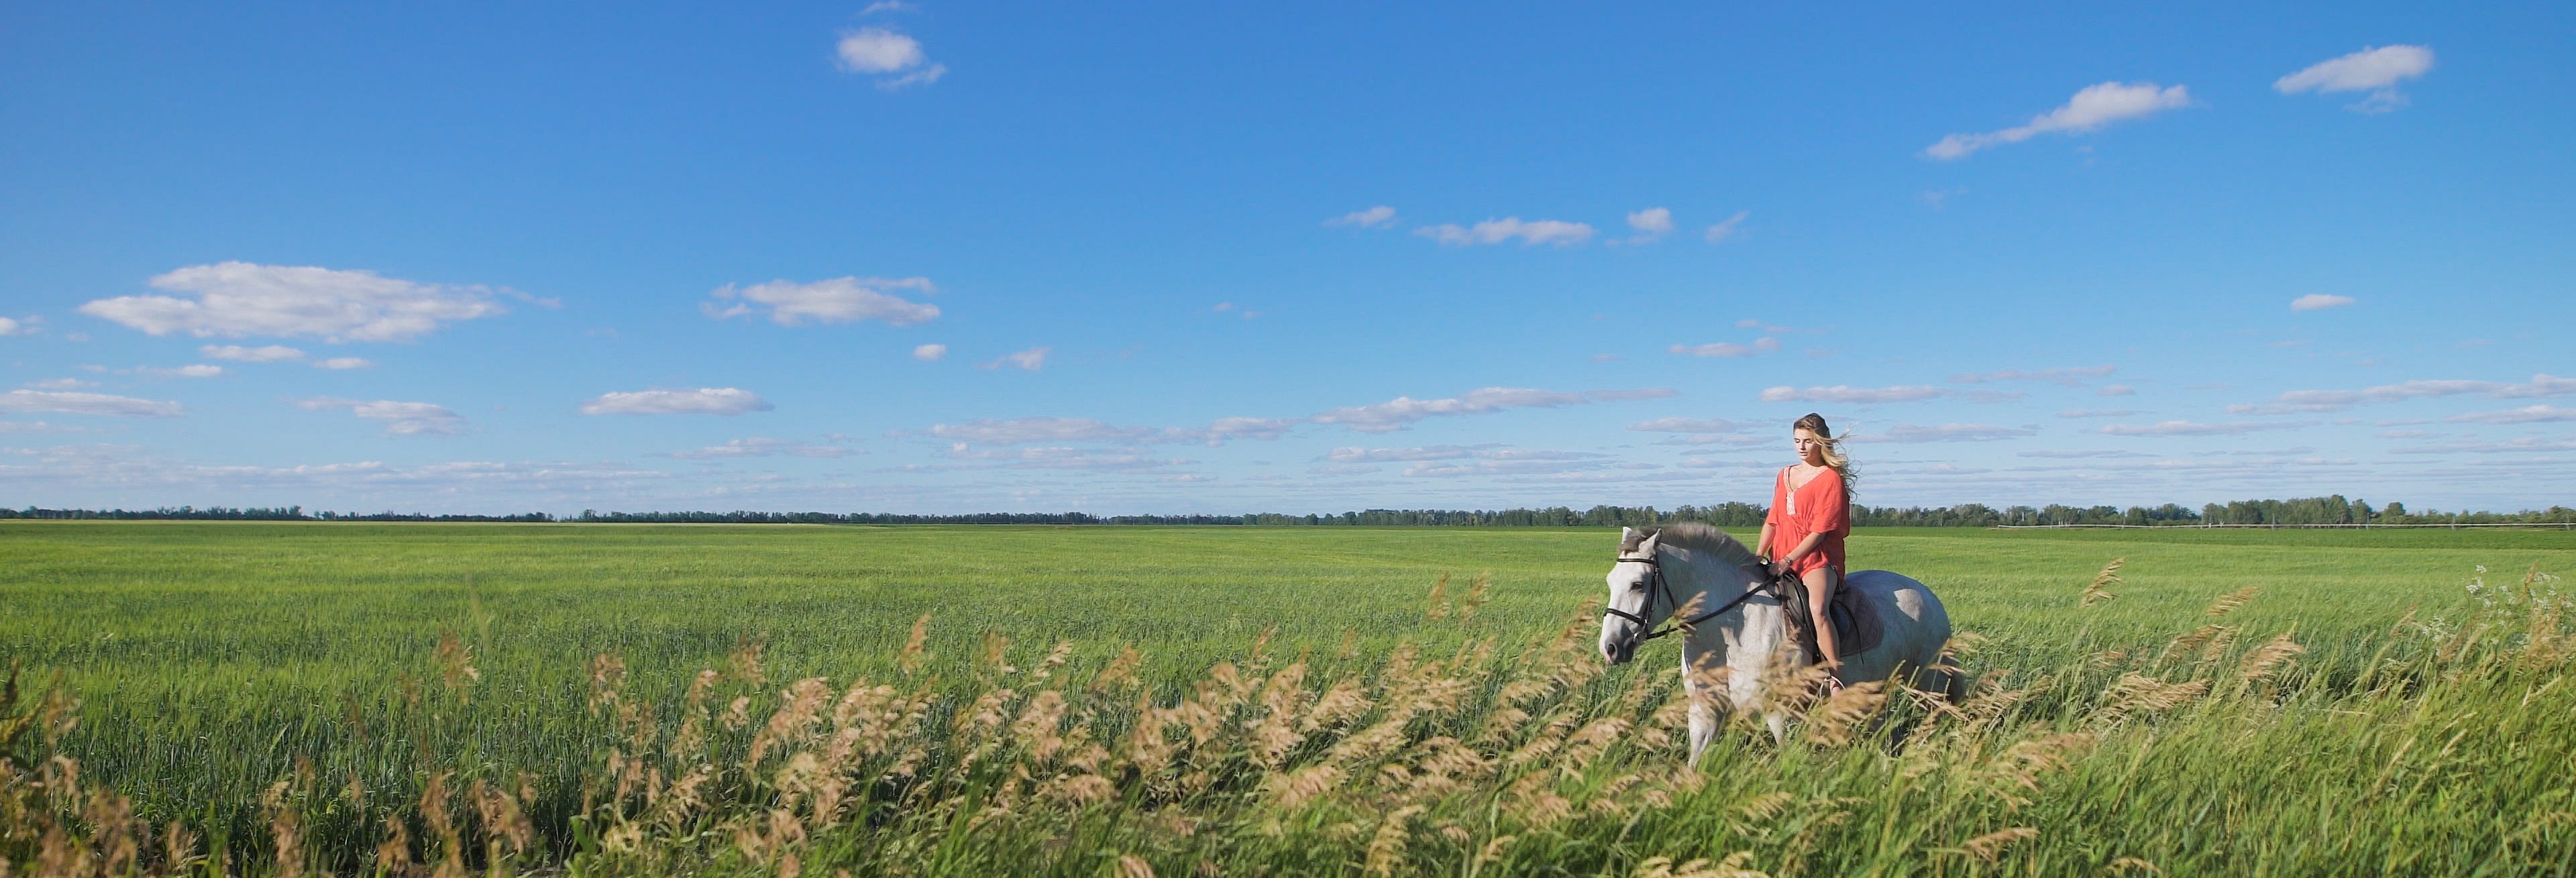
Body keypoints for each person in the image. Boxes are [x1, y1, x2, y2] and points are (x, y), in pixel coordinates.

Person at [1757, 412, 1852, 685]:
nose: (1801, 446)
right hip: (1780, 557)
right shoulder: (1785, 474)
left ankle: (1837, 680)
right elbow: (1773, 520)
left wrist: (1787, 560)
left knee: (1818, 608)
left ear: (1820, 442)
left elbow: (1820, 532)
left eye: (1808, 441)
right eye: (1797, 440)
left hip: (1817, 560)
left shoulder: (1830, 479)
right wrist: (1758, 554)